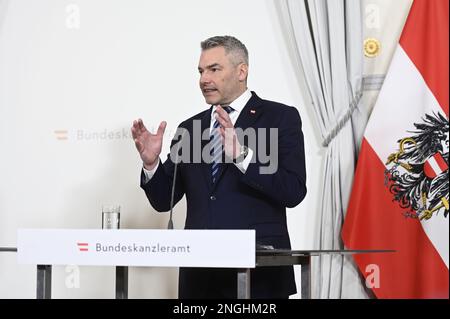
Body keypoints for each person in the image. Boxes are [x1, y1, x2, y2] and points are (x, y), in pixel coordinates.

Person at [131, 35, 307, 299]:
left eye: (214, 69)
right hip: (199, 281)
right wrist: (151, 163)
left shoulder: (280, 118)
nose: (204, 79)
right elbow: (162, 200)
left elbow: (293, 191)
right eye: (201, 71)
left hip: (258, 278)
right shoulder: (189, 129)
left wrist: (243, 157)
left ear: (241, 71)